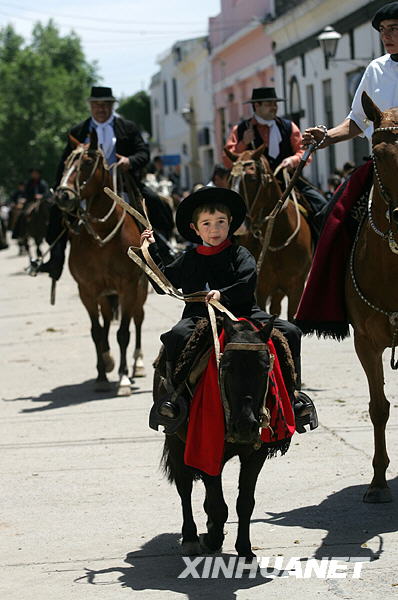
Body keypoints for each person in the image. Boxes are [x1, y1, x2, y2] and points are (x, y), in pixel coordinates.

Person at [141, 186, 318, 432]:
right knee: (176, 336)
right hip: (199, 316)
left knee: (290, 331)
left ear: (231, 224)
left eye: (220, 222)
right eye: (207, 224)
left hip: (243, 313)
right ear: (195, 229)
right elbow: (164, 283)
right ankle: (174, 398)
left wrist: (223, 294)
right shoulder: (189, 259)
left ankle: (294, 396)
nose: (214, 229)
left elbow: (248, 281)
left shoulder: (240, 253)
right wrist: (151, 250)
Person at [296, 2, 398, 337]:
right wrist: (325, 137)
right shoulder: (375, 70)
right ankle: (335, 308)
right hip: (383, 166)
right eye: (383, 30)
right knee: (333, 217)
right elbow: (356, 122)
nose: (388, 35)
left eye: (394, 28)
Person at [38, 86, 173, 279]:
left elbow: (143, 153)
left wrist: (129, 161)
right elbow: (65, 162)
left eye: (105, 105)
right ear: (90, 106)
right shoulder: (78, 131)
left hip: (124, 184)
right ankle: (55, 258)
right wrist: (61, 187)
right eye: (96, 105)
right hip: (86, 188)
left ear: (112, 106)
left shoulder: (128, 128)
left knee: (157, 203)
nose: (101, 109)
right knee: (56, 211)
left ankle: (164, 256)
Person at [224, 87, 328, 239]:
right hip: (253, 185)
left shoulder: (289, 126)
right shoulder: (239, 130)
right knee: (228, 217)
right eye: (269, 103)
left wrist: (292, 160)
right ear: (256, 106)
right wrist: (243, 143)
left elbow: (304, 152)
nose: (274, 107)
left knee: (321, 205)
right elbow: (227, 160)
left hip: (288, 181)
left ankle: (323, 249)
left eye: (275, 103)